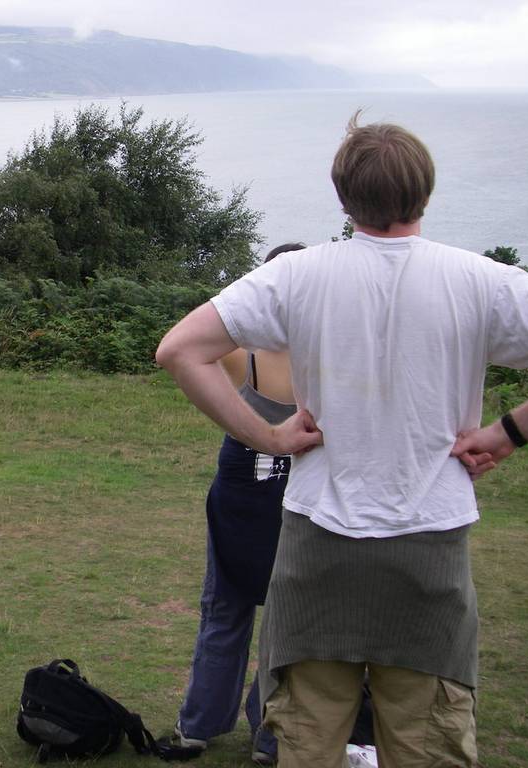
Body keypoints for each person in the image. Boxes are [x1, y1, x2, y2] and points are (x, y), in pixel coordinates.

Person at [155, 112, 528, 768]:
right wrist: (506, 433)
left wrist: (268, 437)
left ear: (343, 197)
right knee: (426, 746)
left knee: (306, 746)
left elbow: (180, 350)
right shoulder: (480, 281)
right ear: (426, 191)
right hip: (428, 552)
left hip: (316, 551)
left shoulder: (296, 276)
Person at [172, 243, 303, 764]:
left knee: (226, 609)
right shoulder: (330, 353)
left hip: (251, 489)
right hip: (292, 494)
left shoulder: (237, 349)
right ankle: (266, 736)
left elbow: (192, 336)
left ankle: (201, 728)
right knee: (285, 620)